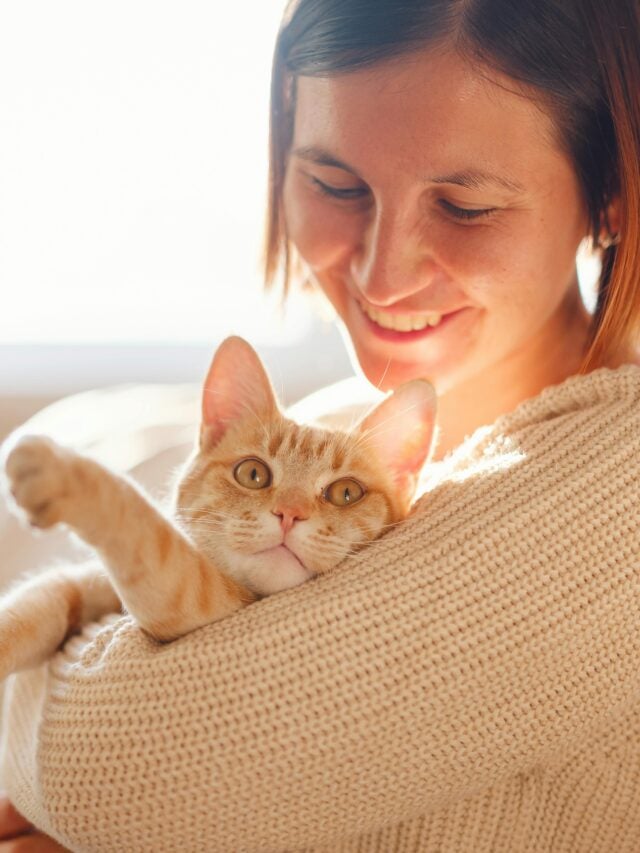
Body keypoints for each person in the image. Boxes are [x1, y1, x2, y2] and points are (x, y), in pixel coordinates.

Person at [2, 0, 639, 849]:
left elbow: (124, 779)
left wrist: (30, 737)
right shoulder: (336, 430)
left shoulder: (616, 487)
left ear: (611, 199)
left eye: (464, 206)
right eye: (335, 185)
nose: (383, 275)